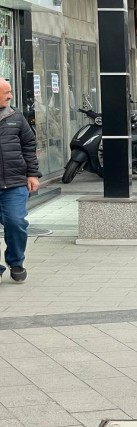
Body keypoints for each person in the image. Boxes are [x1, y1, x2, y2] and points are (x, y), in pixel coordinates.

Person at [0, 78, 39, 283]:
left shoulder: (16, 117)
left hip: (13, 183)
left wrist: (32, 174)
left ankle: (16, 261)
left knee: (15, 222)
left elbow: (29, 145)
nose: (10, 96)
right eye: (6, 92)